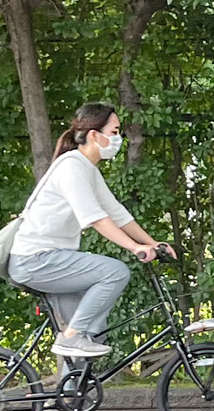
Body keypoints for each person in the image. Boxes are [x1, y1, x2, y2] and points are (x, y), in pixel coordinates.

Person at [9, 102, 176, 362]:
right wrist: (134, 248)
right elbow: (95, 218)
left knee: (92, 331)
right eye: (115, 131)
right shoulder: (72, 167)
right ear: (94, 135)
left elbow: (117, 213)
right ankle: (70, 337)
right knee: (115, 272)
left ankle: (67, 398)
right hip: (35, 259)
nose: (118, 139)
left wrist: (152, 242)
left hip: (52, 259)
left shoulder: (87, 169)